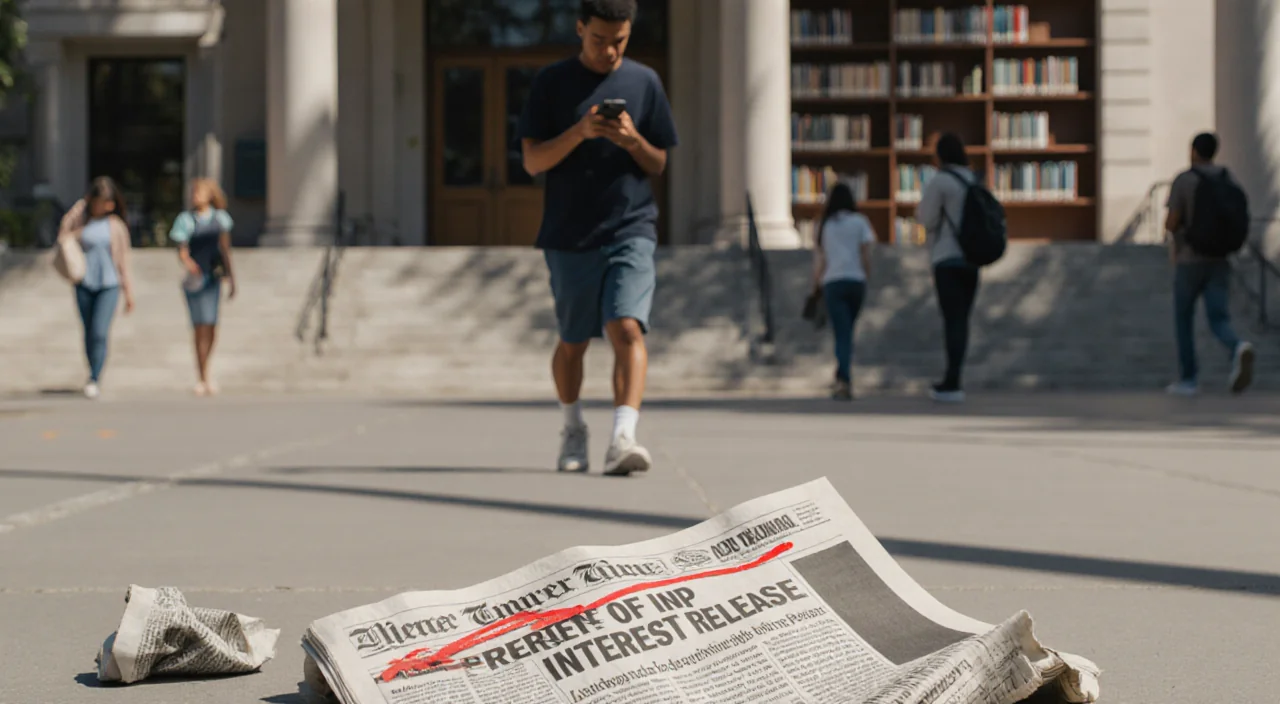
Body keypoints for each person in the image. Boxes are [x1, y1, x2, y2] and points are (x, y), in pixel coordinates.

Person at [518, 0, 678, 476]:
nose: (610, 51)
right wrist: (581, 131)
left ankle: (623, 437)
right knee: (573, 342)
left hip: (632, 227)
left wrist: (632, 140)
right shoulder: (551, 83)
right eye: (599, 40)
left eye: (620, 41)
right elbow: (532, 162)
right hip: (569, 235)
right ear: (580, 28)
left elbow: (659, 162)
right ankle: (573, 428)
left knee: (627, 326)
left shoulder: (645, 82)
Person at [1164, 132, 1255, 396]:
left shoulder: (1185, 180)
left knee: (1183, 318)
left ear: (1193, 150)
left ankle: (1188, 378)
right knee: (1218, 317)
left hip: (1189, 260)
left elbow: (1172, 221)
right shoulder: (1228, 179)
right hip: (1220, 260)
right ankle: (1236, 346)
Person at [57, 177, 135, 399]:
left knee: (100, 331)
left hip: (109, 284)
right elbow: (63, 234)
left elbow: (123, 260)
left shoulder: (116, 226)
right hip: (84, 281)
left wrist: (128, 291)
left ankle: (94, 376)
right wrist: (81, 206)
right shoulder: (82, 221)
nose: (106, 206)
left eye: (110, 201)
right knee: (89, 331)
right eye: (102, 201)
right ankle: (91, 368)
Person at [917, 133, 980, 403]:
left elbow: (926, 218)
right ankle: (955, 375)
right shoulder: (973, 179)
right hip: (972, 258)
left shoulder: (941, 181)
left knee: (951, 320)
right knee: (962, 320)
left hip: (946, 257)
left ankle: (951, 382)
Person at [169, 178, 237, 397]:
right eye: (194, 192)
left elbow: (226, 250)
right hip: (195, 280)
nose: (195, 196)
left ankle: (206, 369)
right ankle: (202, 375)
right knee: (199, 326)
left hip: (213, 278)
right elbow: (181, 250)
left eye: (200, 192)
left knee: (212, 325)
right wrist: (189, 265)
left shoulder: (220, 219)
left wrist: (232, 277)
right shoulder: (185, 220)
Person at [811, 182, 876, 401]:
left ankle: (843, 377)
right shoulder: (860, 222)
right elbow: (865, 252)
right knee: (847, 330)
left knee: (842, 331)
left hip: (833, 281)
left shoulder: (824, 224)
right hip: (855, 279)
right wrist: (867, 275)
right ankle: (843, 374)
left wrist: (816, 283)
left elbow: (821, 258)